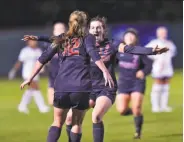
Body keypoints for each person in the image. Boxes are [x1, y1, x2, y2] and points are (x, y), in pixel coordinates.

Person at [23, 16, 169, 142]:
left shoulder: (111, 44)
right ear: (88, 30)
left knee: (96, 115)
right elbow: (58, 39)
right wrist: (37, 38)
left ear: (103, 30)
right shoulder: (82, 44)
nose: (95, 30)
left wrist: (152, 51)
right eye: (92, 27)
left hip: (106, 88)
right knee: (69, 119)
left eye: (99, 27)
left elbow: (131, 49)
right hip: (87, 88)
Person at [20, 10, 114, 142]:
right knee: (76, 123)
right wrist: (105, 70)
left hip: (61, 86)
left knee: (57, 122)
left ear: (70, 23)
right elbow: (93, 53)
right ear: (85, 24)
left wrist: (29, 78)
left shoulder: (61, 38)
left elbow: (42, 59)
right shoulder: (88, 38)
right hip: (81, 87)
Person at [116, 28, 153, 139]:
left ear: (136, 38)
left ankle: (138, 132)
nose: (130, 38)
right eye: (128, 36)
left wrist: (143, 71)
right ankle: (137, 114)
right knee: (122, 110)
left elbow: (149, 66)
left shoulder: (140, 51)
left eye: (132, 36)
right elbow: (111, 62)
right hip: (123, 82)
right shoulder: (119, 51)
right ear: (124, 38)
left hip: (137, 82)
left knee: (136, 107)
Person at [8, 40, 49, 114]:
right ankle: (42, 107)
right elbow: (19, 61)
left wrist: (43, 68)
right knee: (36, 88)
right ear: (28, 42)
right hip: (27, 73)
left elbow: (41, 62)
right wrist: (13, 71)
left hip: (35, 74)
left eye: (34, 41)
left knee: (30, 90)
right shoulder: (25, 51)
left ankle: (22, 106)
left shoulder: (38, 50)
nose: (34, 42)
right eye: (32, 41)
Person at [145, 26, 177, 112]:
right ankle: (155, 106)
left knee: (165, 87)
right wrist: (157, 59)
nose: (163, 34)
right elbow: (147, 52)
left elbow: (173, 52)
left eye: (164, 32)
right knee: (157, 87)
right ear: (158, 34)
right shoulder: (154, 43)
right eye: (161, 33)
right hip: (158, 67)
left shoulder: (169, 43)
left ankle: (164, 106)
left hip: (167, 67)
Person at [41, 22, 66, 105]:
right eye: (57, 29)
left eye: (61, 29)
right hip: (53, 74)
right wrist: (43, 66)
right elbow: (44, 58)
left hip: (67, 75)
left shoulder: (70, 43)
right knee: (51, 101)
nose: (59, 31)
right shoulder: (48, 44)